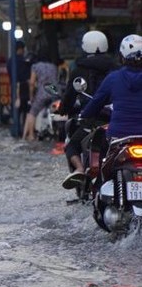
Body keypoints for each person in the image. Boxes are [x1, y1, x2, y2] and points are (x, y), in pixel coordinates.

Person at [59, 30, 119, 189]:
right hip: (116, 120)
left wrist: (64, 108)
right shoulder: (116, 69)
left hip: (92, 119)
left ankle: (79, 169)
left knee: (71, 146)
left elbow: (70, 95)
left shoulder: (79, 69)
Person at [79, 34, 142, 179]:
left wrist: (84, 114)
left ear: (122, 56)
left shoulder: (113, 78)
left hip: (119, 135)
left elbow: (96, 103)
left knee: (102, 160)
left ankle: (98, 187)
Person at [22, 50, 58, 141]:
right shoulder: (53, 67)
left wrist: (31, 96)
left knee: (32, 113)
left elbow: (32, 83)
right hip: (54, 92)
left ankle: (31, 135)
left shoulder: (35, 66)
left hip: (42, 93)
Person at [7, 40, 31, 136]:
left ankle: (16, 129)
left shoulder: (10, 61)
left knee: (16, 109)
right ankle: (23, 130)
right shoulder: (24, 61)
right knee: (25, 109)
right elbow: (27, 75)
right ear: (20, 49)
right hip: (24, 87)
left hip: (14, 87)